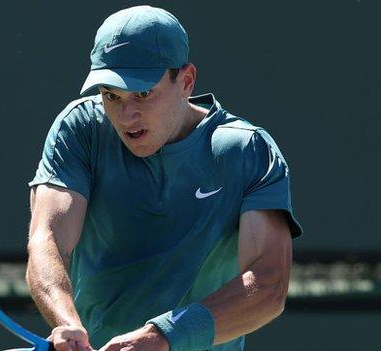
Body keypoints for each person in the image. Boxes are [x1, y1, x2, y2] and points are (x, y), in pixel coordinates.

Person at [26, 5, 302, 351]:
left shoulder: (246, 151)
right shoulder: (80, 130)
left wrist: (164, 336)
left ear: (185, 81)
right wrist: (67, 322)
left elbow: (268, 284)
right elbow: (47, 238)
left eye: (143, 94)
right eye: (111, 95)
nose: (127, 115)